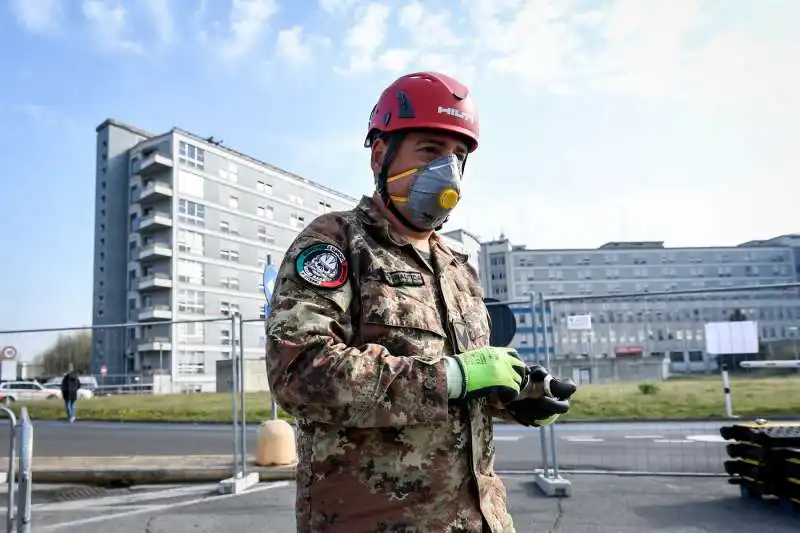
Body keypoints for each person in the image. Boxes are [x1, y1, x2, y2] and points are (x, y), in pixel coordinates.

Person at [265, 71, 577, 533]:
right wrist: (451, 376)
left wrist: (516, 394)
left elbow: (464, 385)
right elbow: (299, 373)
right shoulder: (337, 242)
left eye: (457, 156)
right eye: (430, 150)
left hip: (480, 518)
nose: (447, 169)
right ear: (380, 155)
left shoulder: (458, 268)